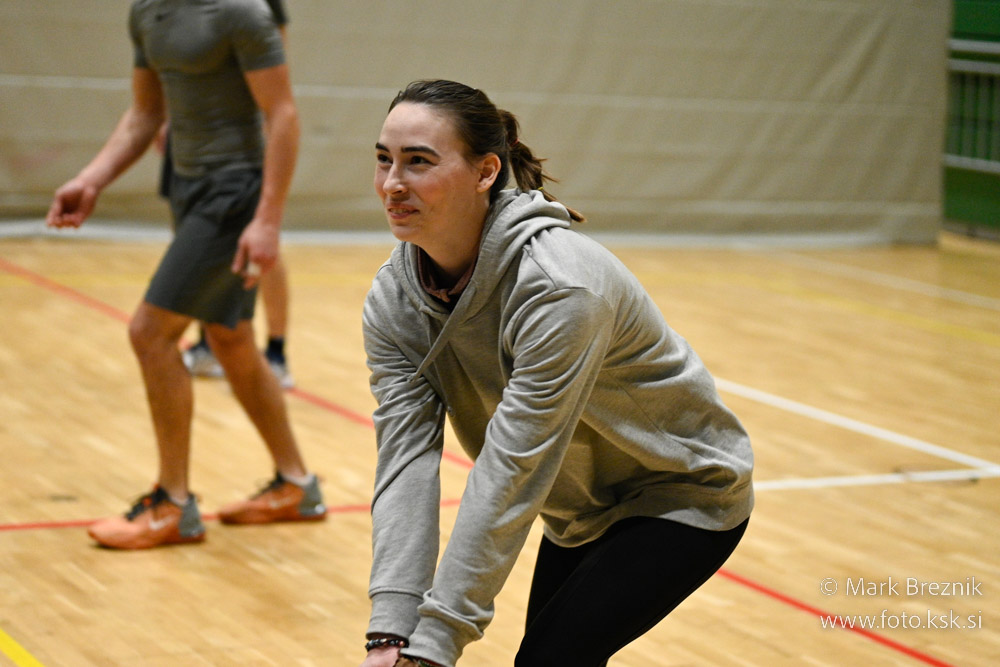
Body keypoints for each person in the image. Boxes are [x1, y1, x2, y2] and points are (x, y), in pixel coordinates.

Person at [358, 80, 754, 667]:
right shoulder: (395, 299)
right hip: (577, 512)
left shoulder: (559, 287)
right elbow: (406, 461)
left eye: (419, 161)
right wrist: (391, 631)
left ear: (486, 172)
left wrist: (436, 644)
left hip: (681, 490)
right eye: (384, 159)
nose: (393, 183)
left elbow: (512, 466)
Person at [45, 0, 325, 550]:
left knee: (150, 333)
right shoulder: (146, 10)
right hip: (187, 186)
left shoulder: (241, 12)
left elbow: (283, 114)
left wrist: (267, 218)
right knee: (229, 337)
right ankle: (296, 485)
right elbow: (144, 113)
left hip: (234, 191)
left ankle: (172, 505)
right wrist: (92, 179)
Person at [167, 0, 295, 389]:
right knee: (202, 248)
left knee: (264, 249)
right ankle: (209, 342)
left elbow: (276, 75)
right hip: (194, 144)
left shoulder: (255, 9)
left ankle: (275, 352)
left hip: (242, 149)